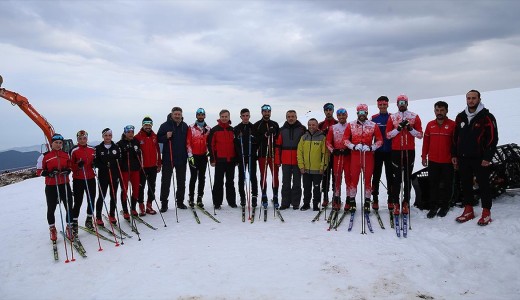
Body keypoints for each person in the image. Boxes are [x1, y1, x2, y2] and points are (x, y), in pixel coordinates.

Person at [452, 90, 498, 226]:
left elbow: (493, 138)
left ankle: (486, 211)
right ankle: (468, 209)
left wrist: (487, 157)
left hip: (480, 158)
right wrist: (454, 154)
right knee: (465, 184)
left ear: (479, 99)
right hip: (463, 157)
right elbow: (455, 138)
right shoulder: (460, 117)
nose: (471, 100)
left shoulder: (487, 117)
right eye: (468, 98)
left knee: (484, 184)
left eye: (473, 98)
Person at [386, 94, 423, 216]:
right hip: (396, 150)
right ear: (397, 104)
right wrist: (398, 129)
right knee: (397, 179)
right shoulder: (392, 117)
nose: (402, 105)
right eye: (400, 103)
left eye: (404, 102)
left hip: (409, 150)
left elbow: (419, 135)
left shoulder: (414, 116)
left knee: (407, 177)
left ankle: (406, 202)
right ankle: (396, 203)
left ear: (407, 103)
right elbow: (388, 135)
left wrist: (410, 128)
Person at [343, 104, 383, 213]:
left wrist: (371, 147)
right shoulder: (351, 125)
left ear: (367, 113)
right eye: (360, 112)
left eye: (364, 112)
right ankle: (352, 201)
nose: (362, 114)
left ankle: (367, 201)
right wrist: (353, 146)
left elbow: (380, 140)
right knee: (353, 180)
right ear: (357, 113)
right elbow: (345, 139)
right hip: (355, 157)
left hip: (368, 157)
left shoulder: (373, 125)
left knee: (368, 181)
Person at [421, 101, 456, 218]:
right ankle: (433, 206)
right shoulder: (430, 125)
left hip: (448, 161)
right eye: (437, 110)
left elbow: (456, 144)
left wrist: (456, 158)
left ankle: (445, 206)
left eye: (442, 110)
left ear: (446, 111)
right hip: (433, 160)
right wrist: (423, 156)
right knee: (433, 184)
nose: (439, 113)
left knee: (447, 184)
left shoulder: (452, 125)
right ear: (434, 111)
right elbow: (426, 143)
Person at [36, 133, 73, 241]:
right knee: (51, 208)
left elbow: (70, 166)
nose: (58, 145)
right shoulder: (44, 156)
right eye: (56, 142)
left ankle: (69, 227)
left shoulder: (66, 154)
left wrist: (68, 170)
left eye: (60, 143)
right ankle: (52, 229)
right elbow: (38, 171)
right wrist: (49, 173)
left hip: (64, 184)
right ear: (51, 143)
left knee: (69, 206)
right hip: (51, 185)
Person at [157, 107, 191, 212]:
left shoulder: (185, 126)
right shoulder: (164, 125)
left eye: (179, 114)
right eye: (175, 114)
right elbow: (158, 139)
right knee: (166, 181)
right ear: (171, 114)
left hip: (181, 158)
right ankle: (164, 203)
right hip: (168, 158)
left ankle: (180, 202)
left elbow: (188, 140)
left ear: (181, 115)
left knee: (181, 181)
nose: (177, 116)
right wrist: (166, 137)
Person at [275, 110, 306, 210]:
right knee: (286, 183)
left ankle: (295, 203)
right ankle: (285, 203)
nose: (291, 118)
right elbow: (278, 146)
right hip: (285, 160)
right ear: (286, 118)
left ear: (296, 117)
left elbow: (305, 146)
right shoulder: (281, 130)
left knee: (297, 183)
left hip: (298, 160)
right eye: (289, 116)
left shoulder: (302, 129)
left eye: (292, 116)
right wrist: (277, 160)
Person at [207, 109, 237, 209]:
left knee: (230, 181)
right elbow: (211, 145)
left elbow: (236, 145)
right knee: (218, 182)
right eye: (222, 117)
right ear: (220, 117)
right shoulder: (215, 130)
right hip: (219, 160)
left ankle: (231, 201)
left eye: (226, 116)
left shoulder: (232, 130)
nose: (224, 118)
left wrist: (236, 159)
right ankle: (217, 202)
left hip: (231, 160)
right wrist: (212, 159)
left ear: (229, 117)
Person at [297, 118, 329, 211]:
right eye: (310, 125)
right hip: (306, 169)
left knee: (316, 188)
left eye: (313, 125)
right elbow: (299, 152)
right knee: (306, 188)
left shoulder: (322, 137)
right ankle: (306, 203)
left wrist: (323, 166)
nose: (311, 126)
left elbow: (325, 153)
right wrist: (301, 166)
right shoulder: (304, 137)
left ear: (317, 125)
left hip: (317, 169)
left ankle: (316, 204)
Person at [253, 104, 280, 208]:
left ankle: (275, 196)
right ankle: (264, 196)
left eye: (268, 111)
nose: (266, 113)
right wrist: (265, 135)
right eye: (264, 111)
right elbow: (255, 140)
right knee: (263, 176)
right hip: (262, 154)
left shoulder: (275, 124)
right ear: (262, 112)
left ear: (270, 112)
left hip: (273, 155)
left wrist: (274, 134)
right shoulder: (257, 125)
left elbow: (278, 139)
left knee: (275, 176)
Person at [94, 128, 122, 225]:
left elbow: (119, 160)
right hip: (103, 175)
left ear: (112, 136)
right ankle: (98, 216)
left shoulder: (116, 147)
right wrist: (103, 165)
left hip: (114, 175)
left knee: (113, 195)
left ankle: (112, 214)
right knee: (101, 196)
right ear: (103, 136)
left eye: (109, 135)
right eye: (106, 135)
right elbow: (96, 162)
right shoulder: (98, 148)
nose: (108, 137)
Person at [134, 116, 162, 215]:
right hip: (142, 167)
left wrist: (159, 163)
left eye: (149, 125)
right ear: (142, 125)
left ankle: (149, 205)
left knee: (152, 186)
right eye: (145, 125)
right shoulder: (137, 137)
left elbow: (158, 150)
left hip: (153, 166)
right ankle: (141, 205)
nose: (147, 126)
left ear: (151, 125)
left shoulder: (154, 136)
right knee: (141, 187)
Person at [70, 130, 97, 230]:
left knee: (91, 199)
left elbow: (95, 160)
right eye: (80, 139)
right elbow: (70, 165)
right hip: (78, 179)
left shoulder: (92, 149)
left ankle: (89, 220)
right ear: (77, 139)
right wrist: (77, 165)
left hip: (90, 178)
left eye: (84, 138)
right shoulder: (74, 150)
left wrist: (94, 164)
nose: (82, 140)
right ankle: (74, 222)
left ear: (87, 139)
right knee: (78, 201)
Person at [325, 107, 351, 211]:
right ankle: (337, 198)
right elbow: (328, 142)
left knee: (348, 179)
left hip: (347, 156)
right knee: (337, 178)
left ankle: (349, 199)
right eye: (339, 115)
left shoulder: (351, 126)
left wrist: (349, 149)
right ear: (337, 116)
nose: (341, 117)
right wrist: (333, 150)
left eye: (343, 115)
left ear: (346, 115)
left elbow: (353, 140)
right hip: (337, 156)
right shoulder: (333, 127)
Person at [371, 96, 393, 210]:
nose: (383, 106)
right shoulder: (374, 118)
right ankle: (375, 199)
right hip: (378, 152)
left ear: (387, 105)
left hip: (390, 151)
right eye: (381, 105)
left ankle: (391, 200)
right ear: (378, 105)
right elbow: (370, 135)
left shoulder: (392, 117)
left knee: (390, 176)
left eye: (384, 104)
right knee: (376, 176)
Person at [234, 108, 259, 208]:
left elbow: (258, 142)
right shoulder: (236, 128)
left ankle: (254, 196)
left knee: (253, 176)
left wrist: (254, 140)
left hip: (251, 156)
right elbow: (235, 144)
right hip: (241, 157)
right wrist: (237, 157)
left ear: (249, 116)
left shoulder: (253, 127)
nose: (245, 117)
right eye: (243, 116)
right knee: (241, 178)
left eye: (247, 115)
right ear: (240, 117)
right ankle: (242, 197)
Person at [186, 108, 211, 208]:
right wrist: (190, 155)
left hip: (203, 156)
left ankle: (199, 198)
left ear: (205, 116)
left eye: (202, 114)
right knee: (193, 177)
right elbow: (188, 142)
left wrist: (208, 151)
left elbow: (209, 143)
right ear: (196, 116)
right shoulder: (191, 127)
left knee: (202, 178)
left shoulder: (208, 129)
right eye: (199, 114)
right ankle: (191, 198)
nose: (200, 116)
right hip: (194, 156)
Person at [117, 125, 143, 218]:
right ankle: (125, 210)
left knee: (136, 189)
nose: (131, 134)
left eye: (132, 132)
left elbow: (139, 155)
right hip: (124, 170)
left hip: (135, 169)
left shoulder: (136, 141)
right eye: (128, 132)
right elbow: (118, 158)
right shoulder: (119, 143)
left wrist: (138, 155)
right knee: (124, 190)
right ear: (125, 133)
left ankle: (133, 208)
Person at [318, 102, 338, 205]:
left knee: (336, 176)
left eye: (330, 109)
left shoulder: (337, 122)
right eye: (326, 110)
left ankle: (336, 196)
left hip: (335, 154)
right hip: (324, 154)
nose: (328, 112)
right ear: (324, 111)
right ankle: (325, 197)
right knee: (325, 177)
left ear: (333, 110)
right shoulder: (321, 125)